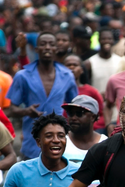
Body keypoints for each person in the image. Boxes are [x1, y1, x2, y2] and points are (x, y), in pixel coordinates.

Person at [7, 32, 78, 160]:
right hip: (32, 143)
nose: (47, 47)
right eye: (43, 44)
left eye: (51, 44)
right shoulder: (23, 76)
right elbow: (11, 110)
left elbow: (74, 107)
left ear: (56, 49)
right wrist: (26, 111)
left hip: (59, 144)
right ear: (36, 49)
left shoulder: (67, 75)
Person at [63, 55, 106, 132]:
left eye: (75, 65)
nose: (71, 67)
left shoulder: (91, 91)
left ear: (82, 70)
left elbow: (102, 113)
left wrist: (89, 126)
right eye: (68, 65)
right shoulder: (57, 90)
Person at [63, 95, 108, 163]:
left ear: (93, 117)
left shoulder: (105, 143)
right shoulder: (61, 141)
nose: (73, 118)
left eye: (79, 113)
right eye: (70, 113)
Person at [85, 27, 125, 94]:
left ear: (113, 41)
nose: (106, 41)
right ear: (99, 40)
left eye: (109, 39)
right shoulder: (90, 63)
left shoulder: (120, 61)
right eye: (103, 39)